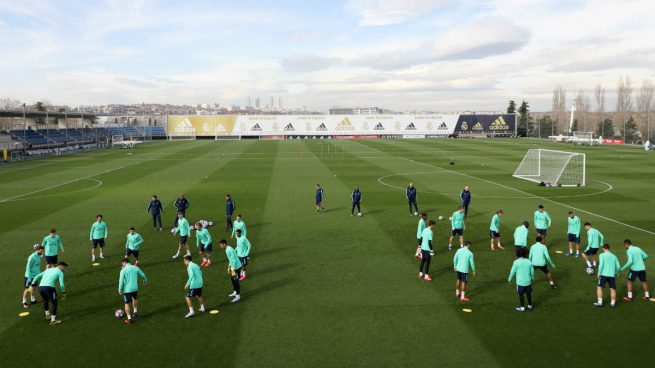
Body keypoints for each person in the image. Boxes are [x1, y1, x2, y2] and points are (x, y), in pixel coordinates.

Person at [118, 257, 147, 324]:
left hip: (127, 289)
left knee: (127, 303)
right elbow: (142, 274)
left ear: (123, 263)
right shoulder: (135, 267)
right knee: (134, 298)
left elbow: (121, 281)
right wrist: (145, 281)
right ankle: (135, 312)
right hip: (135, 288)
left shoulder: (123, 270)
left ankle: (129, 319)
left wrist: (120, 290)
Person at [508, 247, 535, 312]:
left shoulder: (516, 262)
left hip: (520, 282)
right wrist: (532, 278)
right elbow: (532, 272)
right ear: (526, 253)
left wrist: (510, 278)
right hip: (528, 281)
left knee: (521, 294)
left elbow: (512, 271)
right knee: (528, 294)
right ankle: (530, 305)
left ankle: (522, 307)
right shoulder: (529, 261)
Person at [594, 243, 620, 308]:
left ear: (603, 248)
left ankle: (600, 302)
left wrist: (599, 273)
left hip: (603, 275)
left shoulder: (601, 255)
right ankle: (612, 304)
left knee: (599, 287)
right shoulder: (614, 256)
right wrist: (617, 272)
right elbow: (618, 267)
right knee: (612, 289)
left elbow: (601, 265)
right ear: (609, 248)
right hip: (612, 275)